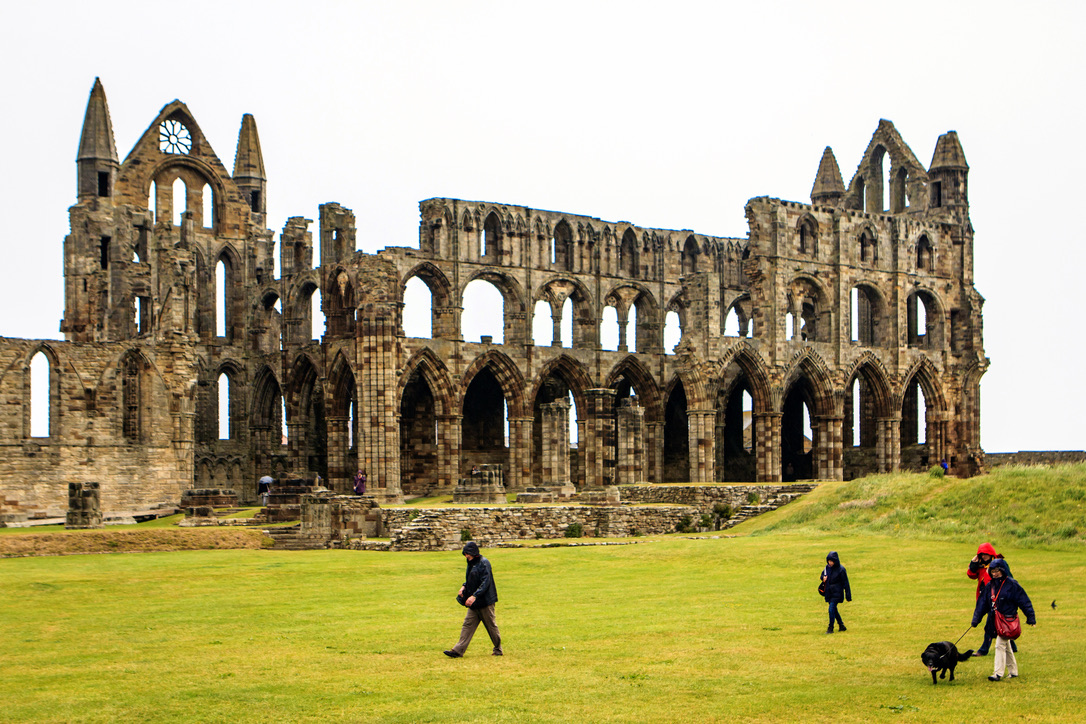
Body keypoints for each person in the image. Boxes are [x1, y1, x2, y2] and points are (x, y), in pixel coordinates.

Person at [971, 558, 1036, 681]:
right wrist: (975, 620)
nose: (994, 573)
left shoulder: (1012, 585)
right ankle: (1013, 671)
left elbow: (1024, 601)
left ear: (1003, 570)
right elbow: (982, 604)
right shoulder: (990, 585)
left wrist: (1031, 618)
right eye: (992, 571)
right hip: (995, 620)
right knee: (1006, 646)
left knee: (999, 645)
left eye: (997, 571)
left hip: (1008, 620)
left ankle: (998, 673)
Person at [444, 541, 502, 658]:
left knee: (491, 626)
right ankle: (458, 650)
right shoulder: (471, 563)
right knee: (467, 625)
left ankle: (498, 649)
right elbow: (471, 579)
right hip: (474, 603)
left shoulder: (484, 563)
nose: (466, 556)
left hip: (485, 602)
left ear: (473, 553)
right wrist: (464, 586)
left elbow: (485, 583)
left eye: (467, 554)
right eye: (465, 554)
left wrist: (474, 596)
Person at [968, 543, 1017, 656]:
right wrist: (973, 563)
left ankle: (983, 650)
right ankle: (1012, 646)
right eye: (982, 554)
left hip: (998, 598)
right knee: (1001, 622)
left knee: (991, 624)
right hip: (985, 598)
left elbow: (1009, 579)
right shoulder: (980, 565)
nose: (984, 556)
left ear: (991, 554)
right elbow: (971, 575)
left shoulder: (999, 564)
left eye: (986, 554)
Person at [820, 551, 851, 634]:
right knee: (834, 610)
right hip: (829, 592)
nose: (830, 563)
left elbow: (846, 583)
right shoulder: (827, 568)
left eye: (831, 561)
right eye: (828, 561)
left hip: (837, 593)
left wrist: (848, 596)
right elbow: (822, 576)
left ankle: (830, 628)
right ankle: (841, 625)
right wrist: (823, 578)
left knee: (831, 609)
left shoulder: (841, 570)